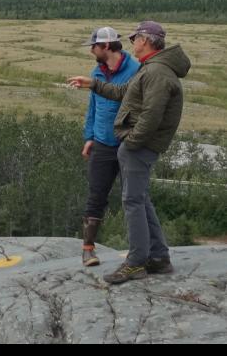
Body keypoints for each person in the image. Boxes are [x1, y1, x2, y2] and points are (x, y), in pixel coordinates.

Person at [68, 20, 190, 284]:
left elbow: (151, 114)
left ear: (144, 41)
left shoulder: (156, 72)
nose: (132, 42)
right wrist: (94, 84)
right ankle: (159, 257)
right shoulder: (152, 68)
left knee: (132, 202)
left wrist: (131, 143)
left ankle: (136, 263)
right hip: (136, 146)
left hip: (138, 148)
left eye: (135, 38)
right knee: (141, 200)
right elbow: (125, 92)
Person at [78, 27, 140, 267]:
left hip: (129, 143)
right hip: (102, 143)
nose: (91, 50)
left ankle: (138, 251)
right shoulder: (97, 72)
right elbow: (93, 107)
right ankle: (87, 250)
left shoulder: (136, 71)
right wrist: (89, 137)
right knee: (96, 196)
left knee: (134, 197)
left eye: (93, 46)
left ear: (105, 47)